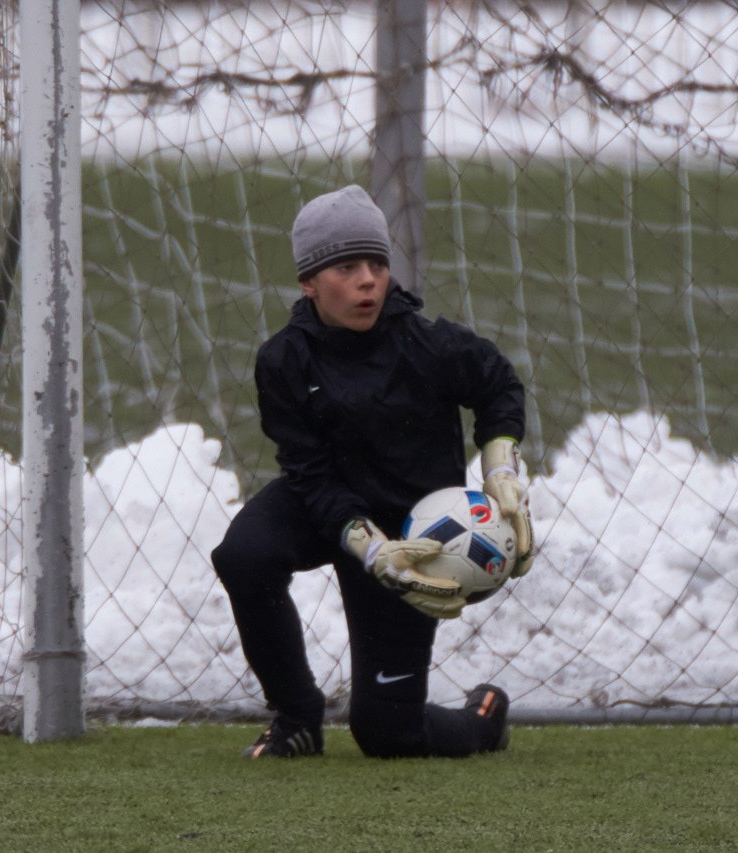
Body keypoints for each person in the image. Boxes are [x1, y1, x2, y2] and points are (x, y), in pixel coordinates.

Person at [211, 185, 534, 759]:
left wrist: (501, 468)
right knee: (244, 554)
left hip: (415, 534)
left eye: (378, 264)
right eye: (347, 266)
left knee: (389, 735)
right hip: (327, 506)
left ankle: (485, 716)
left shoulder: (430, 346)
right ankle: (297, 717)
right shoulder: (283, 361)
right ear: (309, 282)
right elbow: (307, 473)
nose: (368, 280)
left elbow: (499, 387)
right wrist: (366, 545)